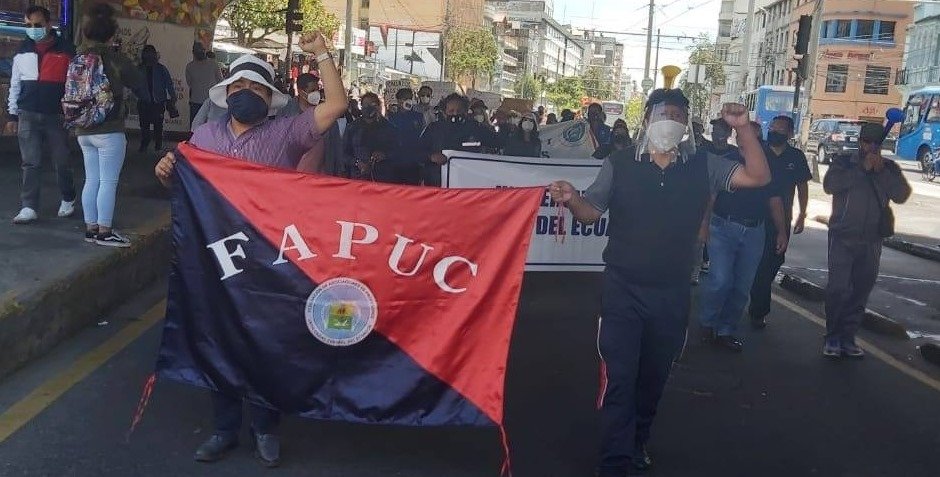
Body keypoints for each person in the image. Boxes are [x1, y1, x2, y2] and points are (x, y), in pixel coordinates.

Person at [548, 88, 770, 476]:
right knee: (620, 378)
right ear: (646, 119)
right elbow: (590, 212)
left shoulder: (704, 165)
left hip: (671, 293)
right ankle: (614, 461)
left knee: (652, 378)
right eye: (662, 113)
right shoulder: (620, 164)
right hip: (622, 290)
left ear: (686, 124)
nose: (670, 120)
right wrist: (570, 198)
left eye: (677, 115)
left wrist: (744, 130)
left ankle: (637, 441)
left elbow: (757, 175)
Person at [154, 32, 347, 466]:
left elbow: (335, 106)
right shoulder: (203, 137)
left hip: (267, 260)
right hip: (217, 261)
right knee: (218, 339)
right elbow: (181, 186)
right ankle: (224, 429)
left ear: (270, 96)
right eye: (239, 87)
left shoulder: (287, 133)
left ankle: (264, 428)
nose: (246, 93)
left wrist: (321, 54)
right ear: (227, 93)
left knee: (267, 345)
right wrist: (166, 170)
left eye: (256, 87)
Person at [698, 117, 789, 351]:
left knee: (741, 286)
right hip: (722, 228)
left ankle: (726, 330)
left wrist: (781, 231)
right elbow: (711, 196)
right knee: (720, 280)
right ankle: (708, 323)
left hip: (754, 231)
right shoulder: (725, 162)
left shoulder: (767, 168)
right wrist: (704, 224)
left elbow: (775, 200)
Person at [823, 123, 911, 358]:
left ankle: (848, 336)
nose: (870, 147)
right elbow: (830, 186)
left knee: (861, 290)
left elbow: (901, 195)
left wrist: (881, 172)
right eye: (866, 142)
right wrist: (862, 169)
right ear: (860, 142)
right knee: (838, 289)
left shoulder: (889, 167)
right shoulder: (843, 162)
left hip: (872, 239)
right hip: (843, 236)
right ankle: (832, 335)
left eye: (875, 143)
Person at [75, 3, 144, 247]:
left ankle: (90, 228)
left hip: (83, 129)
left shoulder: (79, 58)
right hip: (109, 129)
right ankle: (105, 232)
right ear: (112, 34)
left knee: (91, 179)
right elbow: (137, 81)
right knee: (108, 181)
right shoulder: (115, 59)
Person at [6, 5, 76, 224]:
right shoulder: (21, 51)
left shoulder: (66, 49)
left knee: (62, 159)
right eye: (28, 25)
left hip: (56, 115)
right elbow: (15, 85)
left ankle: (67, 197)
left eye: (37, 25)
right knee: (30, 162)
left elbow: (74, 84)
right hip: (27, 113)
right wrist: (12, 115)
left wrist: (72, 114)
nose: (33, 29)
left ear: (48, 24)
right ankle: (29, 206)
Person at [748, 116, 813, 329]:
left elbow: (803, 187)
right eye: (772, 127)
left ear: (790, 134)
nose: (774, 131)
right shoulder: (760, 152)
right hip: (755, 216)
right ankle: (757, 310)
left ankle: (757, 299)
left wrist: (803, 213)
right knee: (759, 264)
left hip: (782, 219)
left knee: (773, 262)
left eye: (780, 129)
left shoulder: (796, 157)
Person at [419, 93, 497, 186]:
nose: (455, 114)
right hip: (437, 185)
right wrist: (431, 156)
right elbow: (417, 152)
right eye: (451, 111)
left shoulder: (475, 128)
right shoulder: (434, 128)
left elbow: (498, 142)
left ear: (465, 111)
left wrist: (504, 125)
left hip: (466, 184)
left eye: (459, 110)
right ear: (444, 112)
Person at [343, 92, 397, 182]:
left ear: (378, 106)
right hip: (358, 178)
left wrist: (385, 155)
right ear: (361, 106)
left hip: (383, 178)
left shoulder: (389, 128)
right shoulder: (352, 127)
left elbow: (398, 151)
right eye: (365, 105)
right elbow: (343, 154)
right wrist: (357, 163)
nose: (368, 107)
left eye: (372, 104)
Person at [136, 44, 176, 153]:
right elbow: (134, 83)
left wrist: (173, 97)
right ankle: (145, 143)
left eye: (151, 53)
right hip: (144, 102)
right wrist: (137, 94)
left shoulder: (161, 69)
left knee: (158, 125)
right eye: (147, 53)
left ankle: (158, 145)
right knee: (144, 125)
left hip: (158, 102)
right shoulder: (139, 68)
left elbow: (169, 83)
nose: (149, 55)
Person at [387, 87, 425, 184]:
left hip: (413, 161)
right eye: (404, 98)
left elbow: (422, 137)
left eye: (409, 98)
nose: (407, 100)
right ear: (398, 100)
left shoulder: (418, 117)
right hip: (395, 160)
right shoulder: (392, 117)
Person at [185, 41, 222, 127]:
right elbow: (220, 81)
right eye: (198, 51)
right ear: (193, 52)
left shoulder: (213, 64)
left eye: (200, 50)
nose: (200, 52)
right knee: (197, 128)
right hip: (198, 102)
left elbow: (189, 83)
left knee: (206, 128)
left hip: (209, 102)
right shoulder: (190, 66)